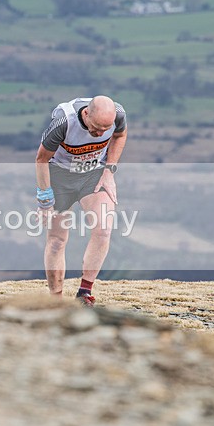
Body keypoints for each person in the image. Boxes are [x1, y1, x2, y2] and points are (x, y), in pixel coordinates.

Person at [35, 96, 128, 306]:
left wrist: (109, 170)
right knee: (58, 240)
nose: (100, 134)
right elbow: (41, 159)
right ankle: (56, 300)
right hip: (59, 175)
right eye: (96, 128)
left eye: (106, 129)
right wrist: (44, 200)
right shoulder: (63, 122)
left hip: (93, 173)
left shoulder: (118, 114)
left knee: (103, 229)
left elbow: (120, 135)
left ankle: (85, 292)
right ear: (86, 114)